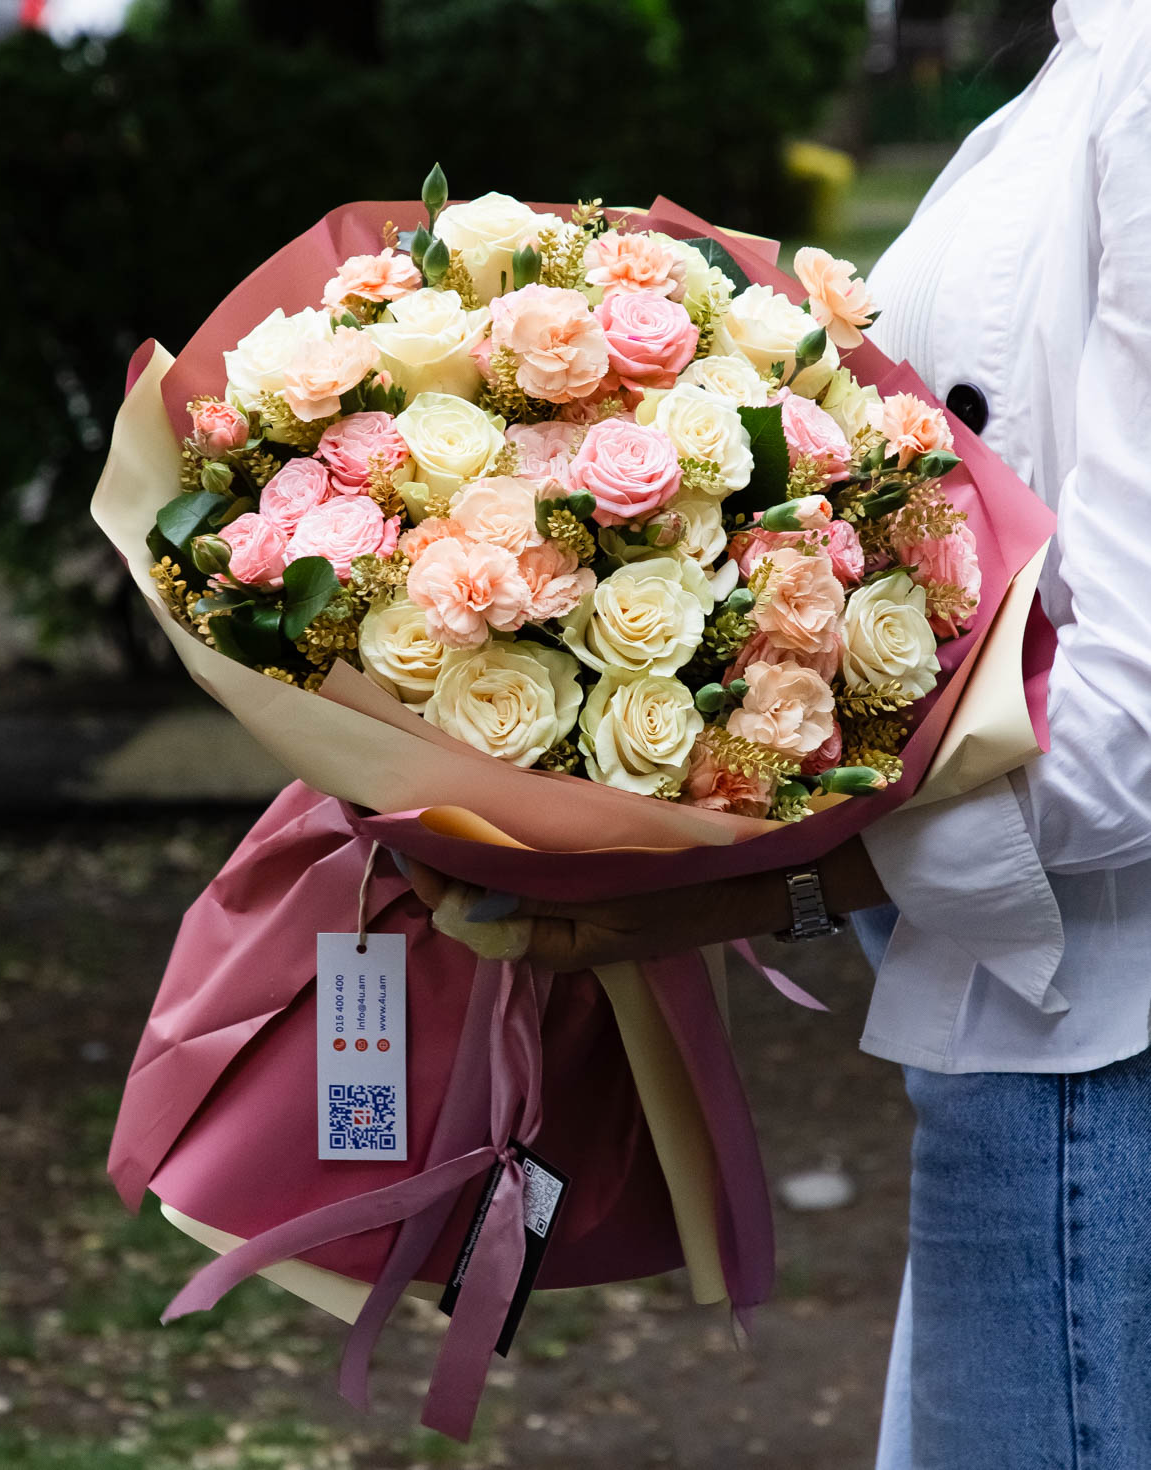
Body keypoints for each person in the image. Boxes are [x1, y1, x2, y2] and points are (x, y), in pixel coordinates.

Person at [412, 1, 1151, 1462]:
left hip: (1094, 1069)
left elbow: (1127, 724)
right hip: (1030, 1047)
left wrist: (764, 879)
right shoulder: (1087, 62)